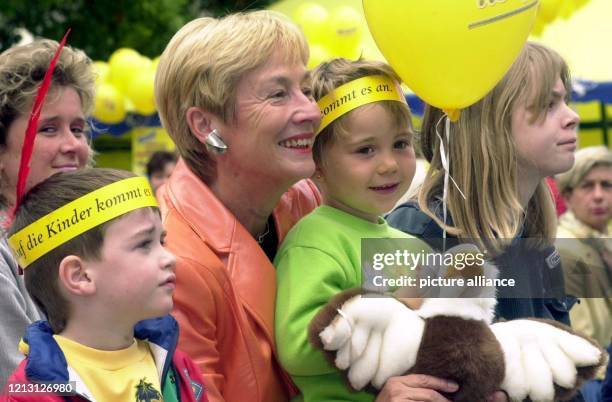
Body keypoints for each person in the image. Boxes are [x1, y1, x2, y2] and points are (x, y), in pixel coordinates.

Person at [154, 10, 464, 402]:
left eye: (304, 89)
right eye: (279, 93)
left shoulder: (308, 201)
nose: (312, 111)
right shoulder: (171, 261)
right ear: (206, 126)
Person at [274, 59, 452, 402]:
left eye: (400, 144)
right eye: (365, 150)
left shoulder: (414, 247)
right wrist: (398, 311)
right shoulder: (314, 241)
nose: (388, 164)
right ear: (317, 163)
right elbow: (297, 347)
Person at [387, 42, 580, 325]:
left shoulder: (534, 237)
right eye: (547, 104)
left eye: (565, 101)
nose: (572, 117)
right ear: (491, 123)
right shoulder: (419, 232)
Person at [2, 168, 207, 402]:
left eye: (162, 241)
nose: (171, 258)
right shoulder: (32, 394)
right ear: (80, 276)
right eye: (143, 244)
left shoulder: (179, 367)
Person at [0, 39, 94, 388]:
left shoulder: (87, 242)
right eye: (49, 128)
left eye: (79, 129)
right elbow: (22, 390)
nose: (73, 146)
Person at [556, 146, 612, 402]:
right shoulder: (565, 247)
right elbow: (581, 338)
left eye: (607, 185)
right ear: (568, 195)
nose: (599, 196)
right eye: (587, 186)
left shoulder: (602, 239)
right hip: (590, 380)